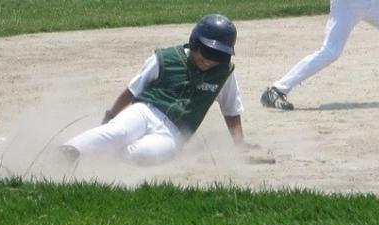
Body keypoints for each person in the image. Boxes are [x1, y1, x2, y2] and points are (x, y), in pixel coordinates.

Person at [61, 14, 255, 165]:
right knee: (117, 131)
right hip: (144, 111)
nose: (211, 60)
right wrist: (111, 116)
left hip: (173, 134)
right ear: (194, 42)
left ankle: (100, 158)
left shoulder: (224, 73)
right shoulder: (166, 58)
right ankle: (67, 152)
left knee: (143, 154)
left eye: (219, 55)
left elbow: (231, 109)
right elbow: (132, 91)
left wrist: (239, 145)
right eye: (207, 52)